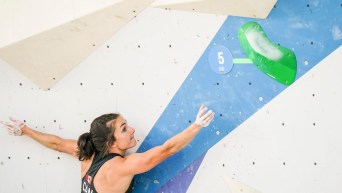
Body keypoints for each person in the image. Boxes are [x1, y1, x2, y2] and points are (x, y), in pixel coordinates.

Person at [1, 105, 214, 193]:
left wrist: (26, 130)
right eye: (123, 129)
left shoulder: (86, 153)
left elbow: (57, 144)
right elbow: (166, 150)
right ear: (111, 142)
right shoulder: (118, 168)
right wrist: (196, 126)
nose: (131, 130)